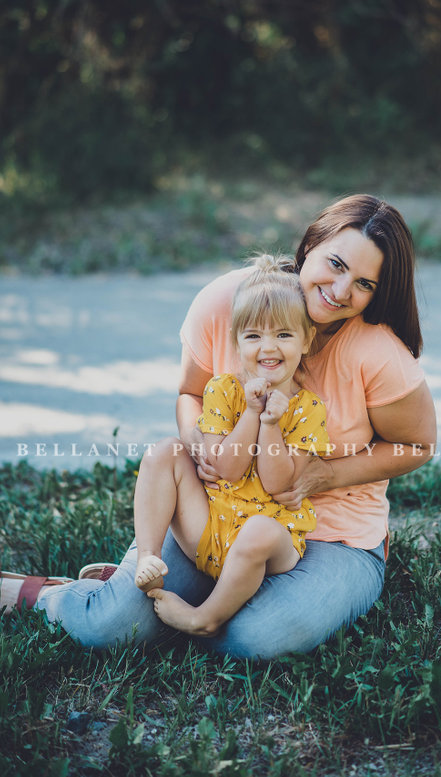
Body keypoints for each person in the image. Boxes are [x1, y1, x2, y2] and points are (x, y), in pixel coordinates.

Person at [0, 194, 436, 659]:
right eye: (335, 263)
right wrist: (198, 444)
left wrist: (327, 475)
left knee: (254, 637)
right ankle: (51, 593)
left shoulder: (376, 351)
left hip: (331, 533)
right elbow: (190, 393)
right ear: (311, 244)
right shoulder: (229, 303)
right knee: (111, 627)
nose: (342, 290)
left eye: (364, 283)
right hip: (220, 514)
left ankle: (192, 604)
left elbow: (418, 445)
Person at [133, 255, 331, 636]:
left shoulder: (309, 409)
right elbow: (226, 469)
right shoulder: (223, 389)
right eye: (253, 335)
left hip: (269, 543)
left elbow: (278, 484)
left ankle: (204, 618)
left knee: (259, 529)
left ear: (306, 340)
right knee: (164, 451)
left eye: (283, 335)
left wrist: (272, 423)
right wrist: (253, 413)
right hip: (211, 526)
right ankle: (147, 558)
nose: (267, 347)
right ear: (237, 343)